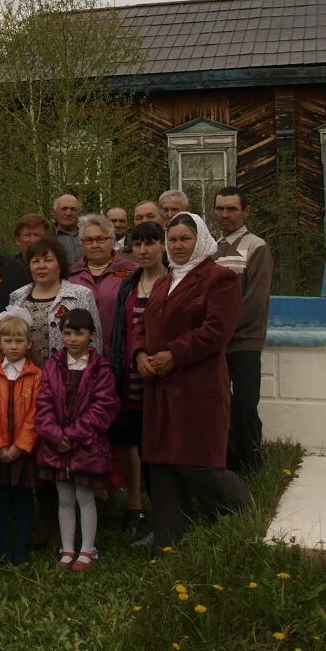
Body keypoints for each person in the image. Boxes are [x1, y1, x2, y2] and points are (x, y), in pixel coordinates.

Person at [131, 213, 252, 549]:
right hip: (160, 387)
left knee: (198, 462)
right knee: (164, 466)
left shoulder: (219, 279)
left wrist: (174, 354)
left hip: (197, 388)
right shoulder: (163, 282)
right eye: (172, 240)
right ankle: (169, 543)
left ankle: (244, 519)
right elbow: (142, 326)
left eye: (184, 238)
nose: (177, 246)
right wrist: (140, 354)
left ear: (199, 239)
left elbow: (216, 331)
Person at [36, 308, 119, 571]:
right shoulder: (51, 366)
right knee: (63, 498)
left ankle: (88, 549)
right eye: (67, 333)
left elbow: (102, 407)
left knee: (85, 497)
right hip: (56, 446)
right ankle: (67, 548)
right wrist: (55, 435)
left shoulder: (101, 369)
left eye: (79, 333)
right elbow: (43, 403)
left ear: (92, 335)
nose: (72, 339)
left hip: (87, 446)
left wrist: (72, 436)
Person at [109, 221, 168, 536]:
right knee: (129, 439)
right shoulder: (129, 283)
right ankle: (135, 505)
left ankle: (167, 511)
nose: (144, 250)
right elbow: (122, 329)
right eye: (138, 244)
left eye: (151, 243)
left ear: (163, 245)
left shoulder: (174, 281)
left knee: (158, 444)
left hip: (162, 374)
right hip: (130, 372)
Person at [213, 186, 272, 474]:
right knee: (221, 405)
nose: (225, 214)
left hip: (244, 341)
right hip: (216, 344)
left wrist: (220, 329)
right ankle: (229, 463)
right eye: (220, 208)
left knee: (246, 404)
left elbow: (255, 301)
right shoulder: (211, 249)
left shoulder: (256, 246)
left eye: (231, 209)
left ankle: (253, 464)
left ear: (245, 211)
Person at [0, 309, 42, 565]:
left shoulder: (36, 375)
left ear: (28, 344)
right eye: (8, 341)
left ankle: (22, 547)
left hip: (23, 451)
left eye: (19, 341)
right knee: (1, 500)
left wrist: (20, 446)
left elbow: (36, 413)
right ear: (0, 343)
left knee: (25, 499)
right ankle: (6, 545)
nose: (13, 346)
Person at [7, 236, 101, 365]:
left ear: (60, 265)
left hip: (70, 376)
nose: (41, 266)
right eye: (35, 261)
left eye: (48, 260)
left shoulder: (81, 295)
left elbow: (95, 342)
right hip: (27, 378)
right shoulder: (17, 297)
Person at [68, 213, 137, 338]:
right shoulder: (71, 274)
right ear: (82, 243)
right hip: (82, 348)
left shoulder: (132, 271)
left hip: (121, 345)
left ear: (112, 240)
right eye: (89, 240)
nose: (95, 245)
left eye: (100, 239)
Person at [51, 192, 84, 265]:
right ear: (54, 212)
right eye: (64, 209)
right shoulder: (46, 237)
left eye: (73, 209)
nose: (68, 213)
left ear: (80, 213)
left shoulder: (88, 235)